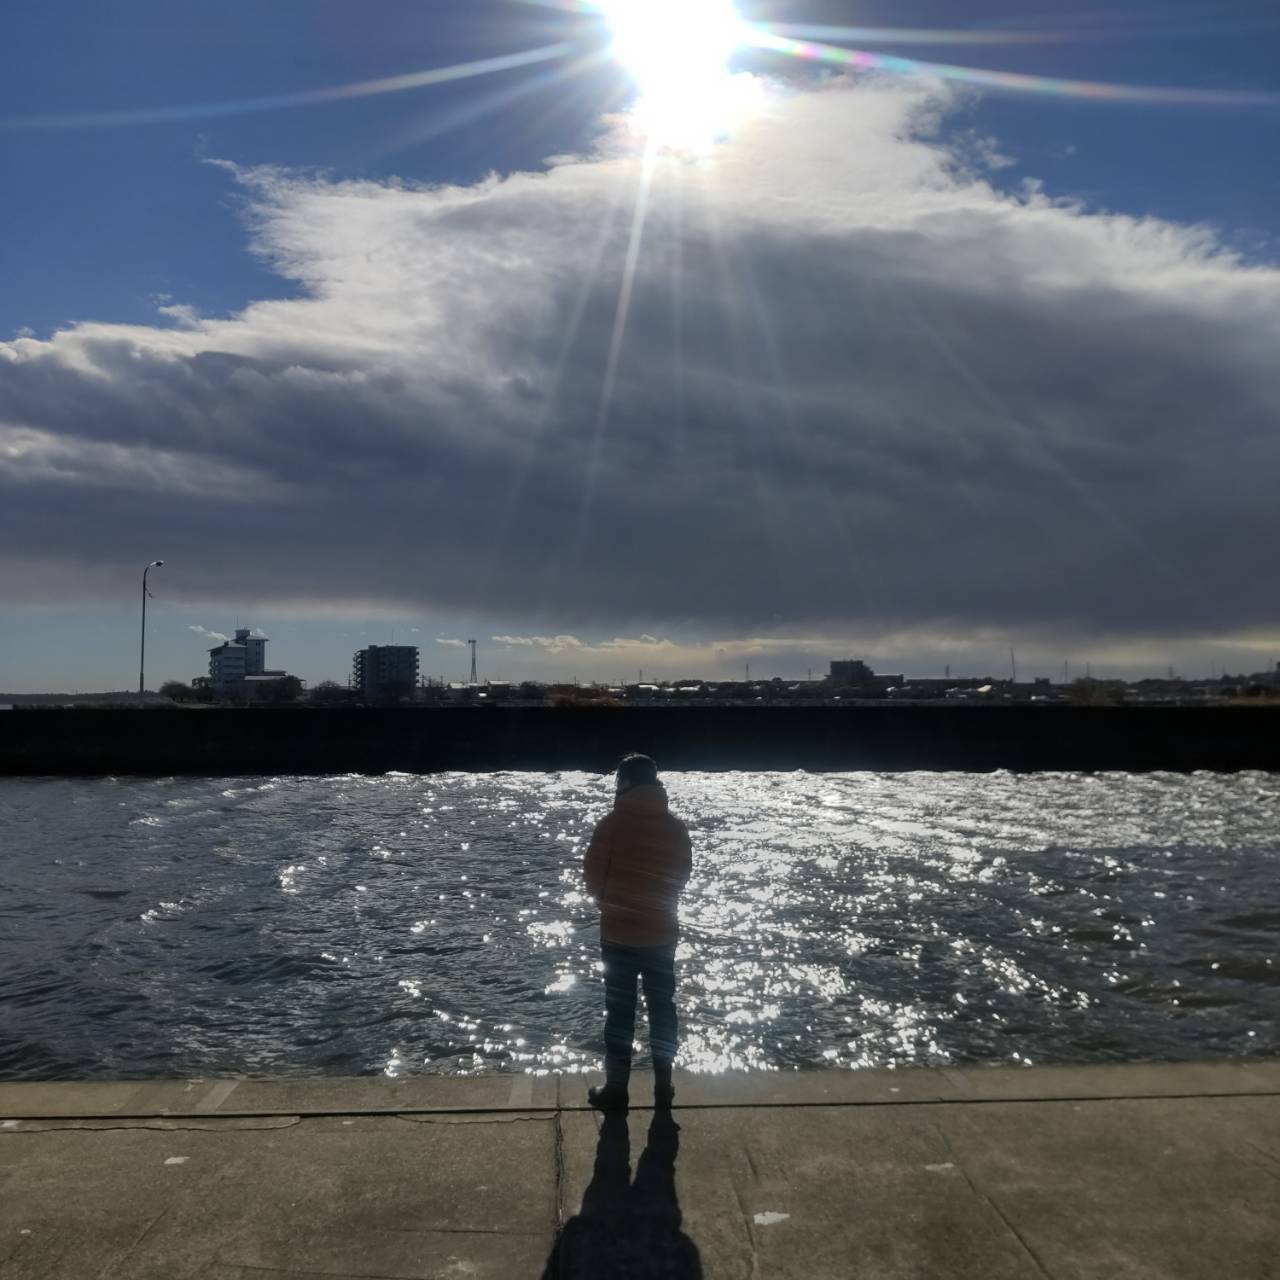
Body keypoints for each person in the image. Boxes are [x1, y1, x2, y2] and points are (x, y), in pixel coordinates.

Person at [583, 753, 693, 1111]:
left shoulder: (610, 825)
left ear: (625, 783)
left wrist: (611, 905)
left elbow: (593, 881)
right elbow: (682, 876)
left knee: (619, 1013)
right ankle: (663, 1086)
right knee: (663, 1009)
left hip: (619, 937)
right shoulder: (676, 828)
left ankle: (617, 1090)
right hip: (662, 935)